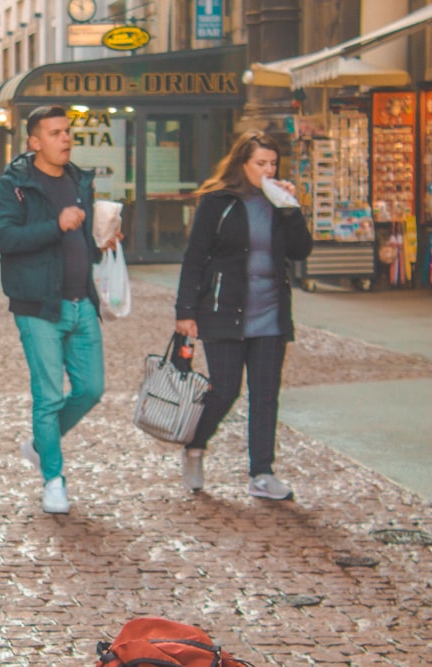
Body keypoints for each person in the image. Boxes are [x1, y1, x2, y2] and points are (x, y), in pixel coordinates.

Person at [0, 105, 116, 514]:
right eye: (56, 132)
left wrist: (103, 240)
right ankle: (54, 480)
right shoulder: (16, 184)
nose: (66, 139)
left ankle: (39, 445)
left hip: (82, 301)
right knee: (48, 397)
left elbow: (82, 240)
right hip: (39, 306)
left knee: (91, 389)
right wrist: (55, 224)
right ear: (34, 141)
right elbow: (4, 238)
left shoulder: (79, 180)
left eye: (68, 132)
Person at [174, 130, 312, 500]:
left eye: (273, 164)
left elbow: (300, 251)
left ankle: (262, 473)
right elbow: (195, 257)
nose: (268, 170)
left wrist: (292, 209)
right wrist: (185, 310)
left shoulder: (279, 203)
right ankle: (195, 446)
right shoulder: (218, 201)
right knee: (225, 389)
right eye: (260, 164)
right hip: (224, 310)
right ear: (242, 164)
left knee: (265, 394)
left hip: (270, 312)